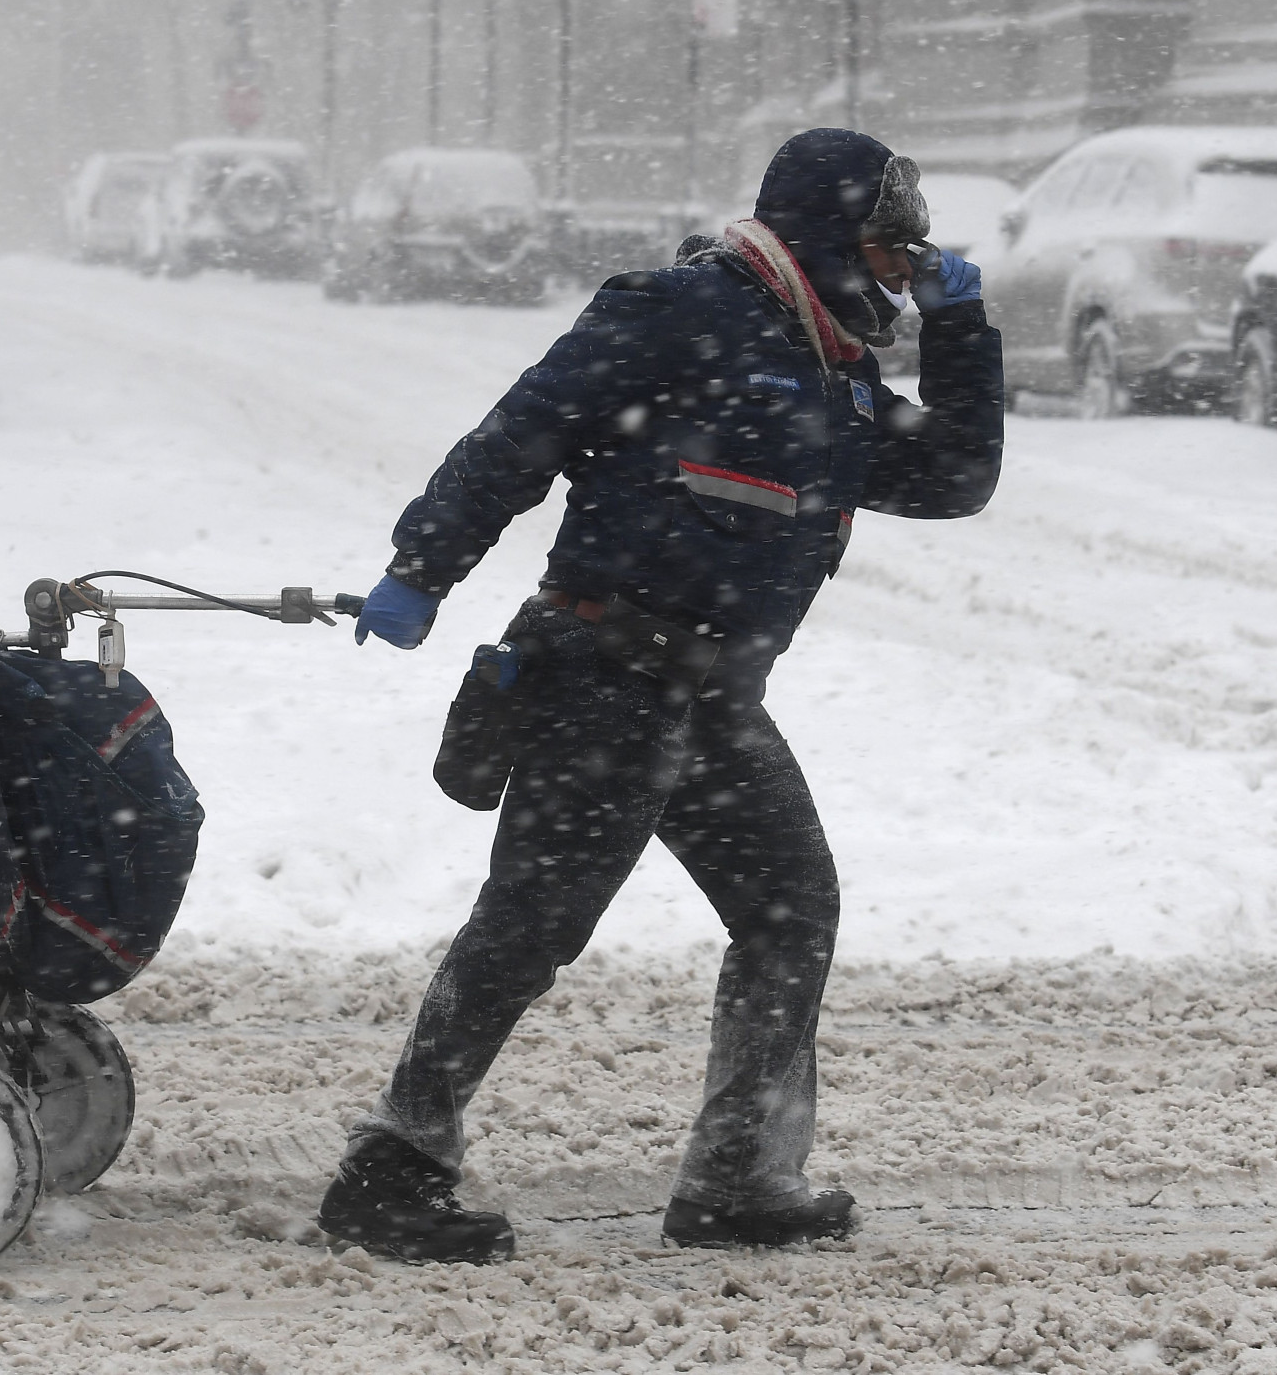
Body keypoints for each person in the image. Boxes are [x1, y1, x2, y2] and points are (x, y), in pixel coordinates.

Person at [315, 128, 1007, 1261]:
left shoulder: (834, 378)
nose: (900, 274)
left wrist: (964, 333)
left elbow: (956, 480)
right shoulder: (671, 313)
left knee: (791, 911)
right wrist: (418, 572)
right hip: (602, 673)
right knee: (530, 927)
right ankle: (390, 1172)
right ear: (826, 237)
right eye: (888, 251)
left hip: (718, 701)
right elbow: (514, 439)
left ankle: (736, 1178)